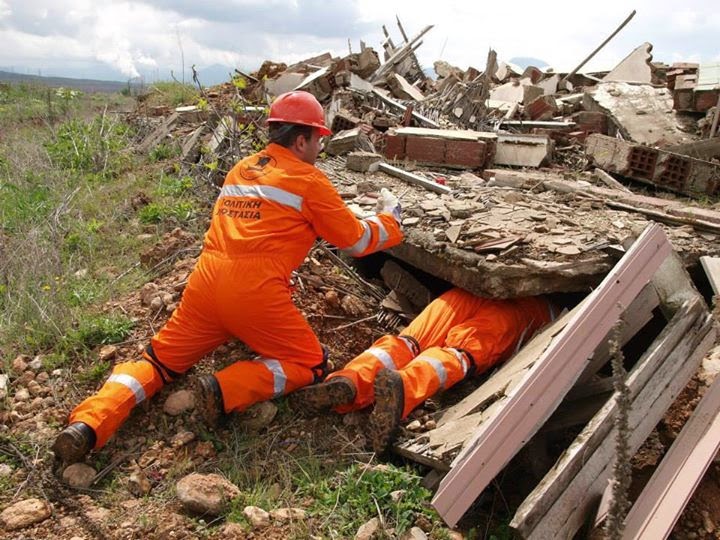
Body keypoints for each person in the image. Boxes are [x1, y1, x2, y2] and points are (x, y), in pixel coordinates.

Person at [52, 91, 404, 464]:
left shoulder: (240, 170)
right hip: (255, 294)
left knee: (157, 362)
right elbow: (357, 241)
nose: (320, 148)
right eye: (319, 140)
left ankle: (88, 424)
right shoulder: (308, 180)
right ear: (301, 140)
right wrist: (390, 220)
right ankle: (224, 389)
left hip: (204, 283)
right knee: (310, 363)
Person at [290, 287, 557, 453]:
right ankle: (403, 388)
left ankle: (349, 381)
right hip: (530, 310)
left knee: (409, 342)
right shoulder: (559, 307)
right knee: (458, 353)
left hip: (470, 291)